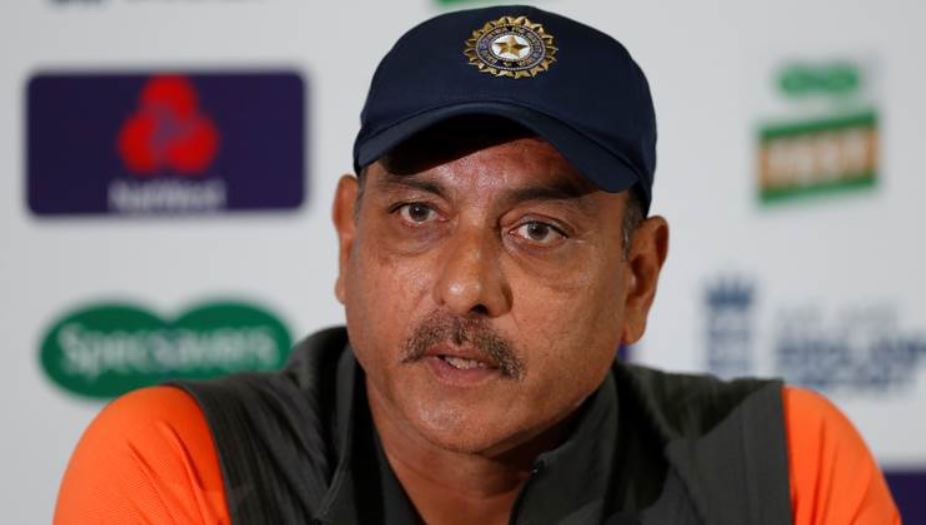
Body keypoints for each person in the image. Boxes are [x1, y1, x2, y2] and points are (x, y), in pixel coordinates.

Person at [55, 5, 900, 525]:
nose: (465, 286)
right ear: (349, 240)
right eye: (418, 214)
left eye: (537, 229)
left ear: (637, 276)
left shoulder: (782, 466)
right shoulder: (185, 459)